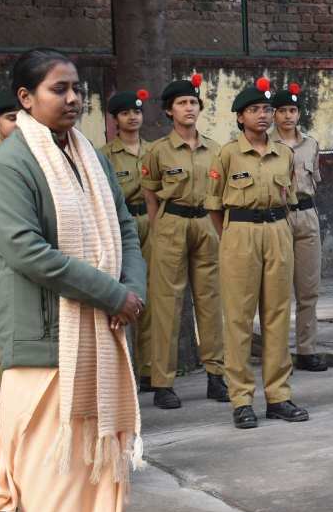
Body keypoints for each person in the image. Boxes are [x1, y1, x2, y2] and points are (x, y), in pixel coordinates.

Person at [0, 47, 145, 512]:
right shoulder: (10, 165)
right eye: (58, 89)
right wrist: (110, 292)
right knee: (51, 471)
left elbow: (124, 226)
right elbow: (26, 252)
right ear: (25, 99)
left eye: (75, 89)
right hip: (45, 341)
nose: (72, 99)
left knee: (98, 464)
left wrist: (131, 288)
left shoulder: (85, 154)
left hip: (101, 330)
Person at [207, 78, 309, 430]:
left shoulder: (285, 154)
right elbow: (214, 205)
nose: (263, 115)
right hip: (240, 233)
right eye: (254, 110)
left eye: (266, 109)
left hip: (279, 230)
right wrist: (233, 236)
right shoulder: (228, 154)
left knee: (278, 315)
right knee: (238, 318)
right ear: (240, 118)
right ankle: (241, 399)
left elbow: (290, 197)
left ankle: (279, 396)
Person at [140, 74, 227, 409]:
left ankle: (216, 376)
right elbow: (150, 197)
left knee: (211, 300)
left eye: (193, 103)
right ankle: (163, 382)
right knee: (166, 305)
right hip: (171, 223)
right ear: (169, 112)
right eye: (182, 104)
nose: (189, 108)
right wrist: (159, 228)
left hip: (206, 223)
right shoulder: (158, 152)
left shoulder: (216, 151)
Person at [99, 89, 153, 390]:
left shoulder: (155, 150)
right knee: (122, 296)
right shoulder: (104, 155)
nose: (133, 117)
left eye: (137, 112)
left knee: (150, 296)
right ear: (116, 119)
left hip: (152, 220)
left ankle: (149, 371)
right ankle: (124, 371)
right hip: (121, 224)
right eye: (125, 113)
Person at [272, 83, 326, 373]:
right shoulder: (266, 145)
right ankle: (279, 353)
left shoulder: (311, 144)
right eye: (282, 111)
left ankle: (307, 350)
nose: (288, 116)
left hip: (307, 214)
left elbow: (315, 179)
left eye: (292, 110)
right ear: (274, 115)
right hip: (278, 216)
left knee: (308, 289)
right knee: (278, 290)